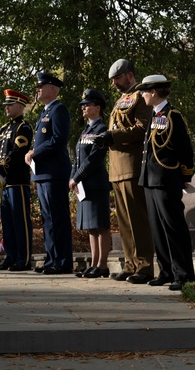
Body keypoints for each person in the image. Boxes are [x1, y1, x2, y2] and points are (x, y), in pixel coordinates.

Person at [92, 58, 155, 284]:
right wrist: (105, 139)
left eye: (117, 78)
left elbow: (141, 129)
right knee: (125, 221)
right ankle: (130, 264)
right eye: (112, 80)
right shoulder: (122, 100)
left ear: (129, 75)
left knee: (137, 219)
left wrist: (112, 136)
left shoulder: (140, 96)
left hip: (132, 165)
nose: (114, 84)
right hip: (117, 168)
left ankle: (145, 266)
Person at [135, 75, 195, 292]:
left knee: (173, 227)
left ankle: (183, 274)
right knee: (158, 229)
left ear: (154, 92)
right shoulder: (154, 115)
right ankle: (166, 271)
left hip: (166, 179)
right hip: (150, 179)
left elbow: (185, 150)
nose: (141, 95)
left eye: (144, 91)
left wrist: (185, 176)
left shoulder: (173, 115)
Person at [25, 71, 73, 275]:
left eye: (41, 86)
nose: (38, 89)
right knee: (47, 218)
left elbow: (59, 139)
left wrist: (36, 152)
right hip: (43, 173)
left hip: (54, 172)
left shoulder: (58, 110)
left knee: (57, 217)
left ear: (53, 89)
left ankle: (62, 262)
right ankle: (51, 259)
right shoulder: (44, 112)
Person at [0, 88, 34, 271]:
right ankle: (11, 256)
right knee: (7, 222)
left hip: (17, 181)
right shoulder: (3, 129)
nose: (6, 108)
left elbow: (18, 152)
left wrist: (1, 168)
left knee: (20, 222)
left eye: (10, 104)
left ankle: (23, 259)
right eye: (6, 105)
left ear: (20, 106)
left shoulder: (23, 127)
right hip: (5, 184)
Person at [69, 88, 112, 278]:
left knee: (101, 225)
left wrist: (77, 177)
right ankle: (94, 263)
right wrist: (72, 177)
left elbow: (94, 158)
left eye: (87, 105)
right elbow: (77, 158)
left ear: (98, 107)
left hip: (95, 183)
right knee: (91, 227)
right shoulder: (86, 129)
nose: (83, 108)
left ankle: (102, 265)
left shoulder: (101, 129)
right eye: (83, 105)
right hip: (85, 185)